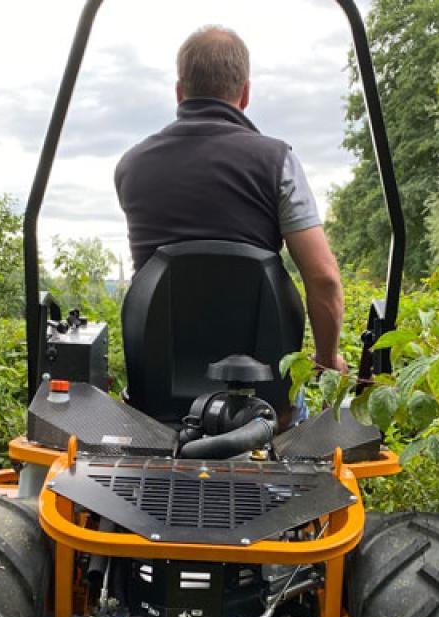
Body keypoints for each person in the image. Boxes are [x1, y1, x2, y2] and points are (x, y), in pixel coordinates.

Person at [113, 25, 351, 412]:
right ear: (245, 94)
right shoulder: (278, 162)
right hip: (265, 404)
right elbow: (323, 278)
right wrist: (326, 358)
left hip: (156, 401)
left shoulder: (131, 167)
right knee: (304, 414)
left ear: (179, 93)